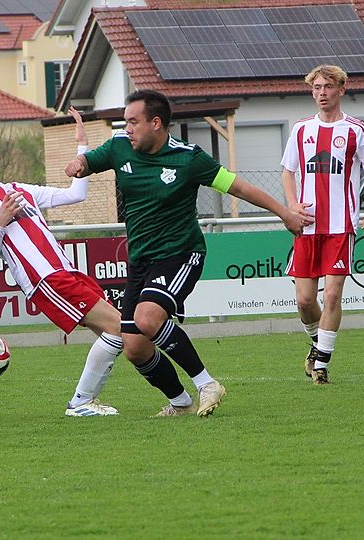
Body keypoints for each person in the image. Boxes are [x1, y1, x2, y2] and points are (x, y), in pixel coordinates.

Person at [65, 89, 312, 417]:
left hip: (181, 253)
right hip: (140, 261)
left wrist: (284, 213)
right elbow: (89, 162)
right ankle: (180, 402)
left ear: (156, 123)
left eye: (133, 122)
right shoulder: (119, 147)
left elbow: (239, 187)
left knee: (147, 318)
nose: (128, 129)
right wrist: (79, 163)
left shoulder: (188, 158)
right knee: (135, 347)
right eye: (125, 122)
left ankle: (206, 383)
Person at [0, 108, 122, 417]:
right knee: (121, 327)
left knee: (121, 333)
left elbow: (76, 195)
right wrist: (0, 223)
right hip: (44, 278)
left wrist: (82, 145)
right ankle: (81, 403)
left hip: (66, 271)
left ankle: (168, 398)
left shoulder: (18, 189)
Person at [280, 64, 364, 385]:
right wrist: (292, 205)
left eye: (327, 87)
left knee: (333, 296)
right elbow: (288, 171)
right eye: (316, 88)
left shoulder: (356, 130)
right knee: (305, 300)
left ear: (341, 89)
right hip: (307, 225)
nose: (321, 93)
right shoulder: (301, 129)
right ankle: (317, 344)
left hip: (340, 225)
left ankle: (322, 365)